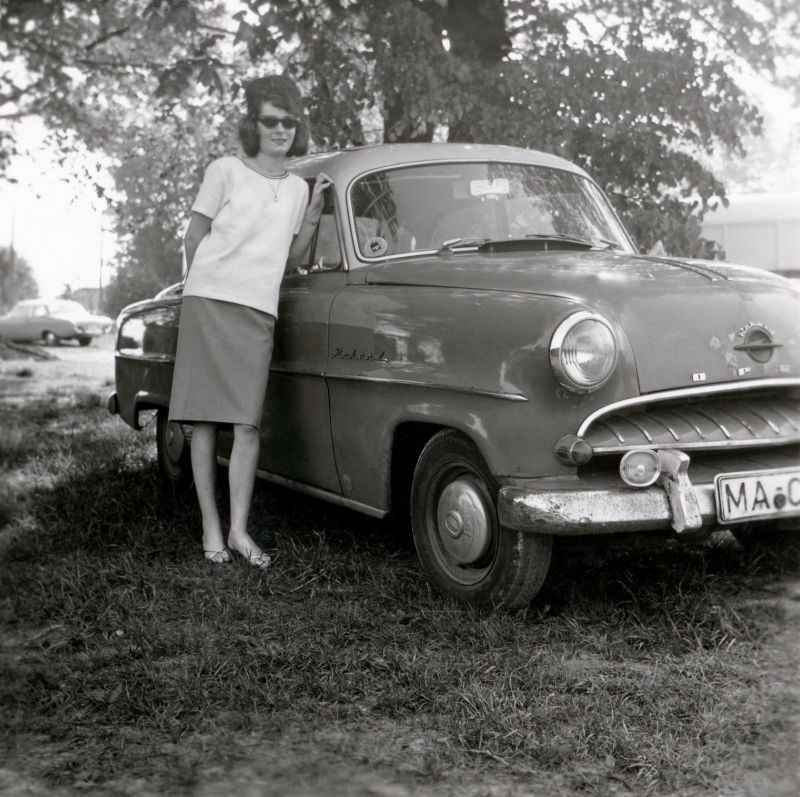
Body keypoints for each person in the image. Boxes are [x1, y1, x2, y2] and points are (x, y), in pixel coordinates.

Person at [169, 74, 331, 568]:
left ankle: (240, 529)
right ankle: (211, 528)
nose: (281, 129)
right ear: (253, 125)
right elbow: (194, 237)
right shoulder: (225, 170)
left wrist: (315, 211)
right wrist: (204, 287)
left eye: (289, 121)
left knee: (247, 424)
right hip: (209, 302)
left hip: (259, 308)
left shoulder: (300, 189)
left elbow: (292, 257)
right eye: (270, 121)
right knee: (203, 423)